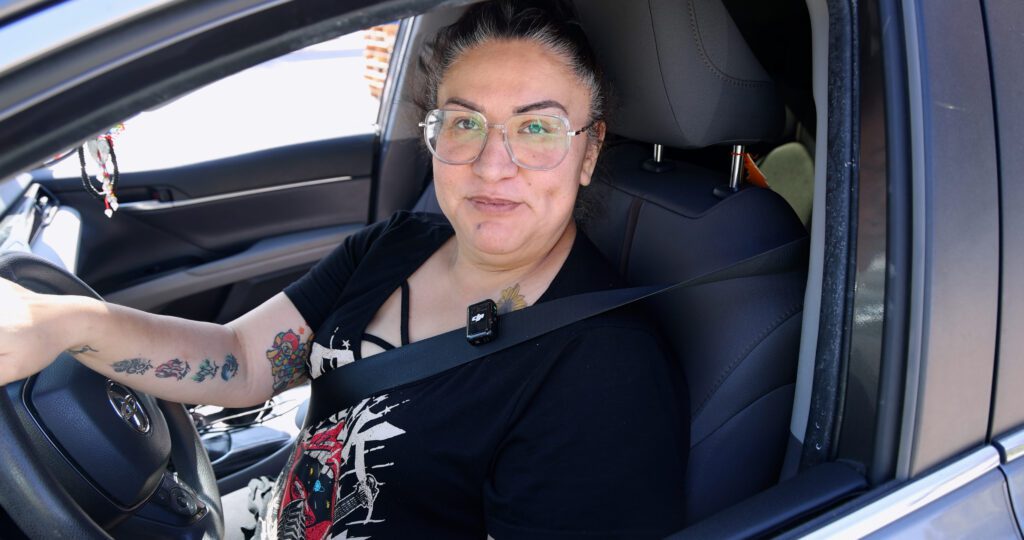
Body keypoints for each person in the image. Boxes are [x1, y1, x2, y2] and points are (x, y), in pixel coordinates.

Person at [0, 1, 689, 537]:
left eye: (536, 129)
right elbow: (242, 358)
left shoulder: (606, 370)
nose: (491, 164)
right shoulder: (396, 245)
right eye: (464, 123)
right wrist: (65, 324)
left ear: (590, 150)